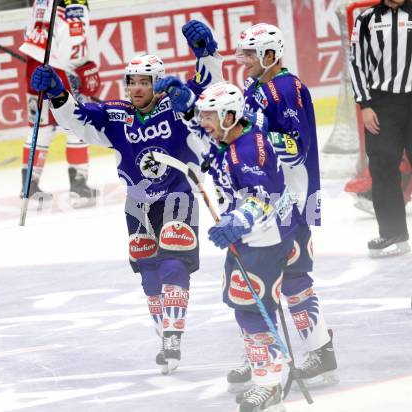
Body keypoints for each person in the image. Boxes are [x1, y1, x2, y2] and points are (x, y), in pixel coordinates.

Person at [182, 20, 338, 390]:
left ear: (271, 54)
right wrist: (209, 59)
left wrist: (253, 136)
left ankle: (320, 350)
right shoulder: (256, 85)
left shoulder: (288, 87)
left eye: (250, 54)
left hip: (289, 200)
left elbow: (294, 148)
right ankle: (262, 355)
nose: (245, 60)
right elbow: (229, 114)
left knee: (294, 279)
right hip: (264, 200)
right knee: (262, 282)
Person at [30, 53, 205, 374]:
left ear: (159, 83)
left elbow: (210, 114)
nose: (136, 88)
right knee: (148, 271)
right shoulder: (116, 115)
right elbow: (77, 118)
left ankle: (173, 336)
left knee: (173, 260)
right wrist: (57, 93)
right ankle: (163, 332)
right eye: (131, 81)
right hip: (137, 202)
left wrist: (194, 97)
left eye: (144, 82)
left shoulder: (177, 108)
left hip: (178, 195)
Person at [196, 81, 302, 412]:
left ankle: (269, 382)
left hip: (264, 238)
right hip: (253, 236)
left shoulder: (247, 151)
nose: (204, 123)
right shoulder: (234, 134)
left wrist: (238, 222)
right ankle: (261, 364)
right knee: (247, 306)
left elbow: (261, 197)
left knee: (252, 306)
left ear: (229, 116)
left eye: (210, 116)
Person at [19, 0, 100, 208]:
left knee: (41, 125)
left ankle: (29, 186)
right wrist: (80, 71)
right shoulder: (75, 2)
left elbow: (30, 31)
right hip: (61, 70)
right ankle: (79, 187)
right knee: (77, 123)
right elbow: (73, 44)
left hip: (35, 67)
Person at [349, 0, 412, 257]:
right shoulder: (366, 19)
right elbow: (356, 62)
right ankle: (392, 232)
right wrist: (365, 104)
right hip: (382, 105)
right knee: (383, 167)